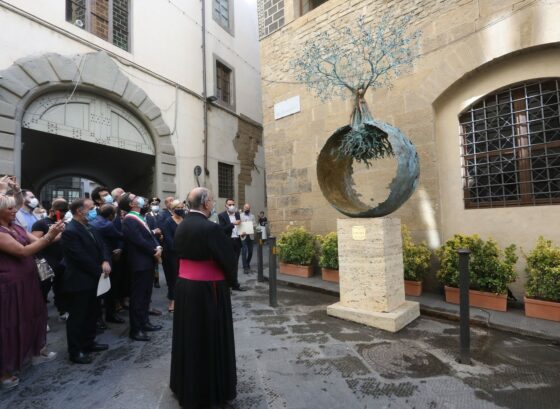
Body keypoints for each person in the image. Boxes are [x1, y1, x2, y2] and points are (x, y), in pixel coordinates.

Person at [171, 187, 237, 408]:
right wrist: (231, 280)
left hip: (185, 287)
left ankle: (186, 386)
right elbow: (227, 258)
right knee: (209, 337)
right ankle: (210, 389)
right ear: (206, 203)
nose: (214, 203)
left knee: (188, 336)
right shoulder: (210, 228)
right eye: (212, 200)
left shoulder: (181, 225)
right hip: (208, 290)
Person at [0, 193, 64, 389]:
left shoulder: (16, 226)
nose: (14, 210)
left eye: (14, 207)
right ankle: (5, 371)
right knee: (10, 324)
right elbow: (23, 251)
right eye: (9, 207)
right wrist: (50, 236)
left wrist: (53, 233)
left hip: (27, 281)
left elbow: (35, 242)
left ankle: (34, 351)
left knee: (33, 315)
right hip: (10, 285)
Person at [61, 198, 111, 364]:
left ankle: (89, 343)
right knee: (78, 317)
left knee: (92, 313)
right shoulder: (70, 231)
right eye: (90, 208)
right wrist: (100, 270)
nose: (94, 211)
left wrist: (105, 260)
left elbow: (102, 245)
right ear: (79, 211)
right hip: (80, 280)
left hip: (95, 279)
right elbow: (80, 257)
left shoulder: (91, 226)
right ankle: (76, 351)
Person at [119, 193, 163, 341]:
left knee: (146, 295)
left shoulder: (139, 216)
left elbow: (148, 236)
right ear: (131, 204)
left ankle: (145, 322)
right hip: (139, 263)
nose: (138, 198)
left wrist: (157, 246)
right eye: (134, 198)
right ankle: (136, 329)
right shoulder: (129, 219)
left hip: (147, 261)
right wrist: (153, 251)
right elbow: (138, 240)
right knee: (138, 297)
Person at [31, 198, 70, 320]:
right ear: (53, 211)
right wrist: (56, 236)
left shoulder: (65, 224)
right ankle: (41, 316)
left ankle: (62, 311)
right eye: (61, 212)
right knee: (43, 289)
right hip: (43, 261)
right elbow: (35, 243)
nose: (62, 215)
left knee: (62, 288)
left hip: (60, 261)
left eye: (65, 212)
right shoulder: (41, 223)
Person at [90, 204, 125, 324]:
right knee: (109, 288)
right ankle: (109, 315)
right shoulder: (107, 224)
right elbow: (120, 235)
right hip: (106, 257)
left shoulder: (94, 221)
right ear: (111, 215)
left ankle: (99, 317)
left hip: (97, 257)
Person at [160, 199, 185, 312]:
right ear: (173, 209)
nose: (180, 209)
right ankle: (172, 301)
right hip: (171, 255)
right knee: (173, 278)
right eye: (178, 208)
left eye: (181, 207)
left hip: (184, 254)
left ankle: (182, 298)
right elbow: (169, 240)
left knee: (182, 278)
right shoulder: (168, 222)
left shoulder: (184, 220)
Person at [218, 198, 245, 291]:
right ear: (226, 205)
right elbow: (222, 230)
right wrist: (233, 223)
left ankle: (235, 285)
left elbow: (240, 228)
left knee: (235, 264)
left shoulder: (237, 214)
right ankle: (227, 286)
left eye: (233, 204)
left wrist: (243, 233)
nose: (231, 206)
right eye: (229, 204)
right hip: (228, 242)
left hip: (237, 241)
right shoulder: (221, 215)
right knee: (228, 264)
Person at [145, 197, 163, 289]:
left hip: (161, 240)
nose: (155, 206)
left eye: (157, 204)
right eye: (153, 204)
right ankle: (156, 280)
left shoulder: (162, 215)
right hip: (152, 240)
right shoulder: (147, 216)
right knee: (154, 261)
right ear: (150, 205)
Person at [240, 203, 257, 274]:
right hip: (243, 236)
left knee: (250, 251)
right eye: (246, 208)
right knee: (244, 251)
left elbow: (255, 225)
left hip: (250, 236)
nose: (247, 209)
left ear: (250, 209)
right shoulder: (240, 215)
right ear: (243, 208)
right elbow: (238, 224)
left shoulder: (252, 216)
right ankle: (245, 267)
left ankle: (247, 263)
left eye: (248, 208)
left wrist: (251, 225)